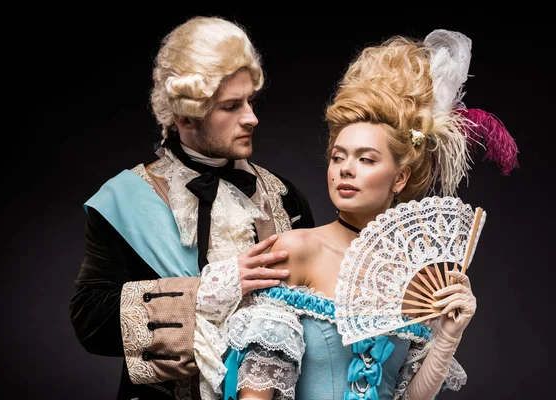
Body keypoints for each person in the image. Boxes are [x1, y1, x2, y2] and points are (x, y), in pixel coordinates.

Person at [219, 30, 519, 399]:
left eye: (366, 159)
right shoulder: (295, 250)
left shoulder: (417, 281)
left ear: (400, 177)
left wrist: (448, 335)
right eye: (338, 157)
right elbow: (255, 393)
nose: (346, 169)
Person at [68, 16, 315, 400]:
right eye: (231, 106)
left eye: (250, 101)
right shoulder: (125, 199)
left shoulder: (284, 196)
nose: (251, 117)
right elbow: (90, 322)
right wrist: (204, 293)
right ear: (184, 116)